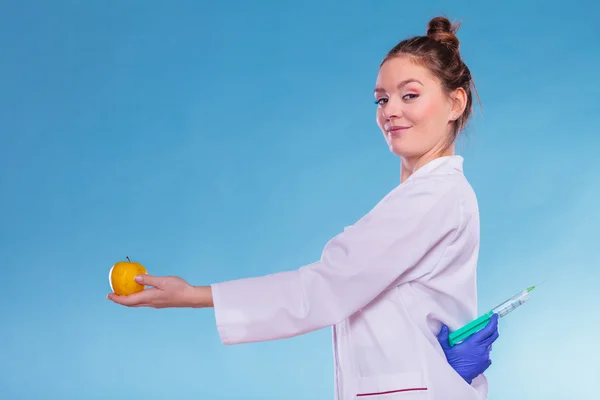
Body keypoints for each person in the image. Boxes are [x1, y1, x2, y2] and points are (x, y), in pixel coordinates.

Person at [109, 16, 499, 399]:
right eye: (382, 99)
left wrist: (192, 295)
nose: (390, 110)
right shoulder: (429, 196)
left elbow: (326, 286)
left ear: (455, 103)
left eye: (409, 95)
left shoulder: (433, 197)